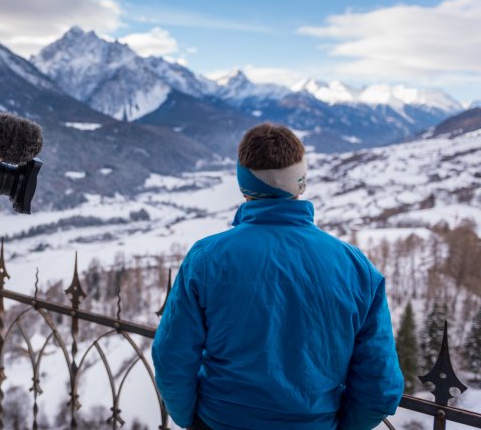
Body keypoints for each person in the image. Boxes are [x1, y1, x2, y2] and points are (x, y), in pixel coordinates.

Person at [152, 123, 404, 430]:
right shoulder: (356, 269)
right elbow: (381, 384)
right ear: (301, 183)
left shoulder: (207, 259)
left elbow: (171, 358)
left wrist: (192, 419)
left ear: (244, 184)